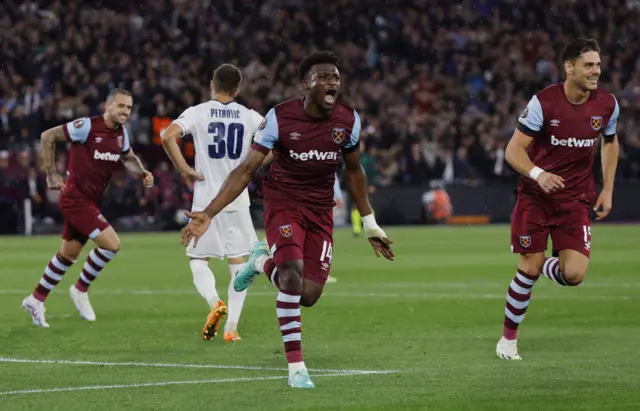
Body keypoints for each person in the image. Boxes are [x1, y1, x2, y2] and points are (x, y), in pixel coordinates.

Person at [180, 51, 395, 388]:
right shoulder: (279, 118)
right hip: (283, 204)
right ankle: (296, 367)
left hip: (320, 211)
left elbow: (354, 172)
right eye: (323, 77)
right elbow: (248, 169)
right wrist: (208, 212)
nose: (332, 83)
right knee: (292, 276)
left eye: (335, 78)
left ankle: (261, 262)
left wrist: (369, 222)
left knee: (308, 294)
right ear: (304, 84)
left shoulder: (348, 121)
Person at [496, 38, 620, 360]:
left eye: (598, 64)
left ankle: (537, 266)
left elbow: (610, 141)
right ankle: (508, 340)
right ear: (569, 68)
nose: (596, 71)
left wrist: (607, 188)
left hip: (576, 199)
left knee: (574, 275)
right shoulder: (543, 103)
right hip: (536, 197)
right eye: (588, 65)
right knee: (529, 267)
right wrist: (539, 174)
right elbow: (513, 151)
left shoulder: (607, 104)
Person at [21, 89, 154, 327]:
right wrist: (51, 173)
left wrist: (142, 173)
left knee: (68, 255)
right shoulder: (86, 127)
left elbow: (129, 158)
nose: (125, 111)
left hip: (91, 200)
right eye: (121, 106)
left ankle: (36, 299)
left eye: (129, 108)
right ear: (108, 106)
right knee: (112, 244)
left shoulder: (122, 134)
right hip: (75, 199)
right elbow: (47, 136)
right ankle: (81, 289)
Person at [161, 64, 263, 343]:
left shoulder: (198, 112)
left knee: (197, 259)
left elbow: (167, 136)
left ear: (211, 84)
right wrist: (255, 166)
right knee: (239, 261)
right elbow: (275, 143)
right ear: (238, 90)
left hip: (206, 200)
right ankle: (231, 327)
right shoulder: (249, 115)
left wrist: (183, 167)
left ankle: (214, 302)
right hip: (237, 196)